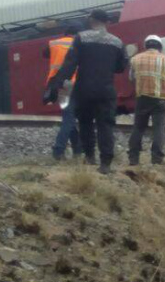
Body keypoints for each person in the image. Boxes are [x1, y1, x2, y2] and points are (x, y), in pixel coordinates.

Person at [44, 10, 125, 174]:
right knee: (105, 125)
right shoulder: (117, 42)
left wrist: (56, 84)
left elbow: (70, 64)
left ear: (91, 20)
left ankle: (89, 157)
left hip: (84, 88)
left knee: (86, 123)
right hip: (106, 89)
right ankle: (105, 163)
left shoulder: (81, 38)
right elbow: (121, 67)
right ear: (107, 22)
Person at [128, 34, 165, 165]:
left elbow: (131, 78)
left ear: (146, 46)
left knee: (138, 128)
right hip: (160, 99)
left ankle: (133, 159)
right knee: (159, 129)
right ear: (160, 47)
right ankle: (157, 159)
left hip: (142, 98)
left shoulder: (135, 59)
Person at [44, 27, 83, 160]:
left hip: (60, 85)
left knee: (68, 116)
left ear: (65, 33)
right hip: (75, 83)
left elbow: (44, 54)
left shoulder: (54, 43)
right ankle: (59, 150)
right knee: (69, 118)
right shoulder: (80, 44)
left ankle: (76, 149)